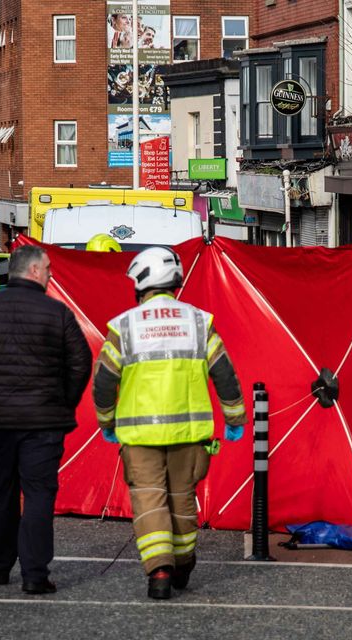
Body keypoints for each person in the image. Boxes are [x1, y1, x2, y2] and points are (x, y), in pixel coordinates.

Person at [92, 247, 247, 600]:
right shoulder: (197, 323)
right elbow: (224, 373)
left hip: (140, 437)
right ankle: (184, 561)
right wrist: (234, 418)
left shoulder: (125, 327)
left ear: (142, 282)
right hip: (190, 436)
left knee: (150, 501)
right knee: (182, 499)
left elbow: (103, 380)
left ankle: (159, 570)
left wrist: (107, 421)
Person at [0, 245, 90, 595]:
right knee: (39, 494)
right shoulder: (57, 313)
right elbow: (80, 362)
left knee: (0, 493)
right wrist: (63, 402)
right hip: (43, 422)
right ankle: (35, 574)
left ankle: (0, 567)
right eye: (49, 269)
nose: (52, 274)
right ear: (33, 272)